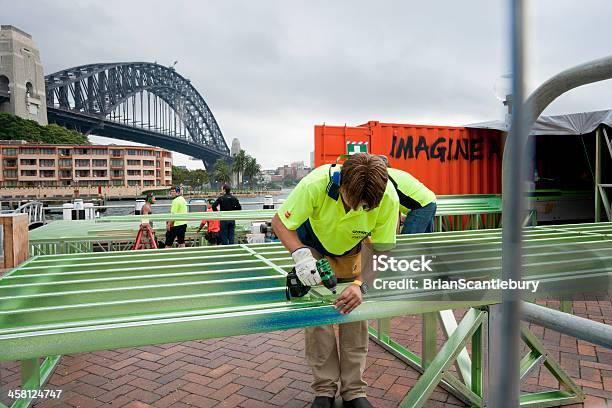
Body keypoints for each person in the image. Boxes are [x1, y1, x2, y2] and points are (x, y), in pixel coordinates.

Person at [271, 153, 399, 408]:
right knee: (319, 319)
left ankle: (354, 391)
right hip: (314, 246)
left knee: (354, 316)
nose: (358, 211)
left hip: (354, 249)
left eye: (366, 207)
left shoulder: (388, 198)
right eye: (354, 203)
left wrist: (359, 285)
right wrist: (301, 256)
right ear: (342, 184)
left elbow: (383, 251)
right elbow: (280, 223)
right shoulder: (314, 184)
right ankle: (324, 389)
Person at [387, 167, 437, 234]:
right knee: (423, 242)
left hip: (421, 206)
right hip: (428, 201)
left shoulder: (385, 179)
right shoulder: (391, 173)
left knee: (407, 242)